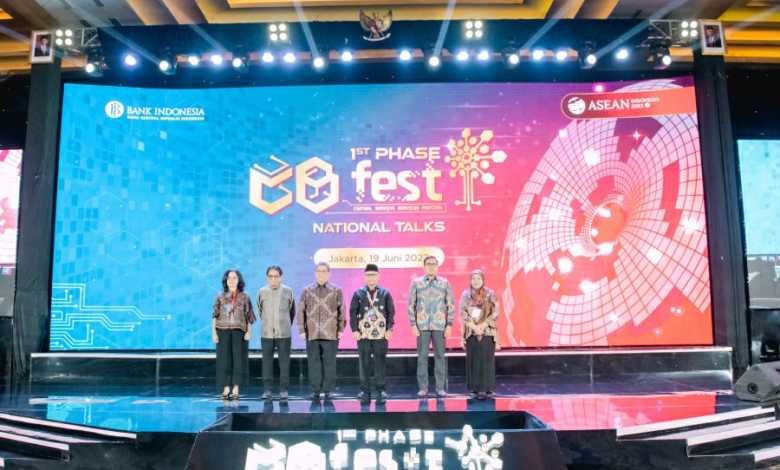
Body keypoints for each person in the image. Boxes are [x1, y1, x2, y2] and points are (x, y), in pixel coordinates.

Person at [408, 256, 454, 398]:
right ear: (424, 266)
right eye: (428, 264)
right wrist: (413, 324)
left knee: (440, 356)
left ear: (437, 266)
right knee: (422, 357)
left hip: (439, 325)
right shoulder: (416, 283)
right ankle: (423, 388)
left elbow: (450, 304)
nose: (431, 266)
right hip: (422, 326)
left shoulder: (444, 283)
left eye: (434, 264)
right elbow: (411, 305)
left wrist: (449, 324)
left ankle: (440, 388)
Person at [297, 262, 345, 401]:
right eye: (319, 271)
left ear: (329, 273)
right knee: (314, 363)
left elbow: (342, 310)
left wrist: (340, 329)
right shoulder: (307, 290)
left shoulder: (337, 290)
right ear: (315, 273)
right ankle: (315, 391)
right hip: (312, 333)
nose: (321, 274)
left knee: (330, 363)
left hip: (331, 333)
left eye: (324, 271)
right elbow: (300, 311)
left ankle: (328, 390)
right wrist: (301, 329)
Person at [350, 264, 395, 405]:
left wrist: (389, 329)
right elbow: (352, 313)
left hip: (381, 335)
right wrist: (354, 330)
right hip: (363, 335)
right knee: (364, 363)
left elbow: (391, 313)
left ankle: (381, 391)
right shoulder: (358, 293)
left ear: (378, 276)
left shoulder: (385, 293)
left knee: (380, 363)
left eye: (373, 275)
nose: (371, 278)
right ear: (364, 277)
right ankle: (365, 391)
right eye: (368, 275)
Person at [212, 269, 255, 400]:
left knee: (239, 359)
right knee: (224, 360)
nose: (231, 280)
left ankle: (236, 387)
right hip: (222, 330)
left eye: (234, 278)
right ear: (225, 281)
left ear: (239, 280)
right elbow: (214, 315)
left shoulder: (244, 297)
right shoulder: (220, 296)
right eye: (229, 278)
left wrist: (249, 332)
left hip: (239, 332)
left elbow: (249, 316)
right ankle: (226, 387)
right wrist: (214, 332)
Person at [257, 265, 295, 402]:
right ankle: (267, 390)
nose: (273, 279)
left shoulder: (288, 291)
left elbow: (292, 311)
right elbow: (260, 310)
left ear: (281, 277)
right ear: (267, 277)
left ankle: (284, 390)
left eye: (276, 276)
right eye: (271, 276)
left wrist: (284, 324)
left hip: (284, 333)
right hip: (266, 333)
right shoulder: (261, 291)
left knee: (284, 363)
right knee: (267, 362)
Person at [460, 269, 499, 400]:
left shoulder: (490, 294)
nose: (476, 281)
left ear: (483, 280)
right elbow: (463, 313)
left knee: (487, 359)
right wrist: (474, 327)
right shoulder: (466, 295)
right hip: (471, 332)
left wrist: (483, 325)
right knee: (474, 360)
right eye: (473, 279)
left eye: (478, 279)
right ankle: (474, 389)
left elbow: (495, 312)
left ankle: (487, 388)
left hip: (487, 331)